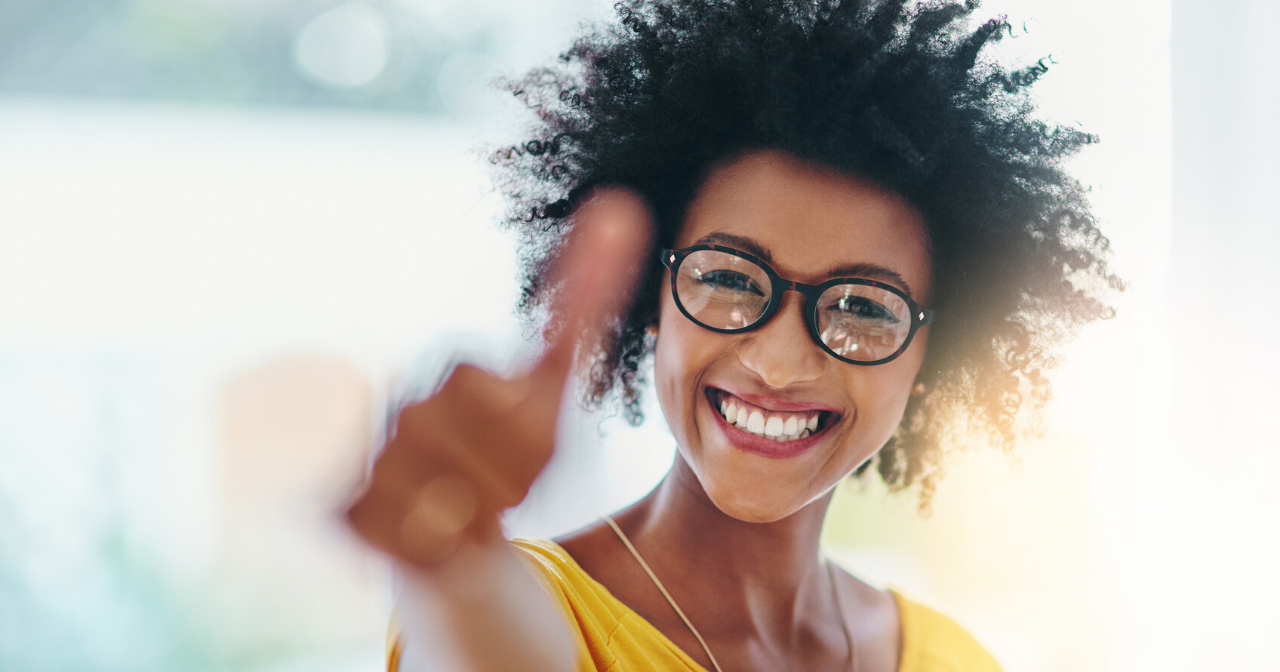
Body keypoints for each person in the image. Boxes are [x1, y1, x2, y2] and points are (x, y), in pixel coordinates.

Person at [346, 0, 1121, 670]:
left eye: (862, 305)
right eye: (727, 279)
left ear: (931, 355)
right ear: (655, 296)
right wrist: (453, 570)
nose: (780, 363)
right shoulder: (534, 608)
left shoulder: (956, 660)